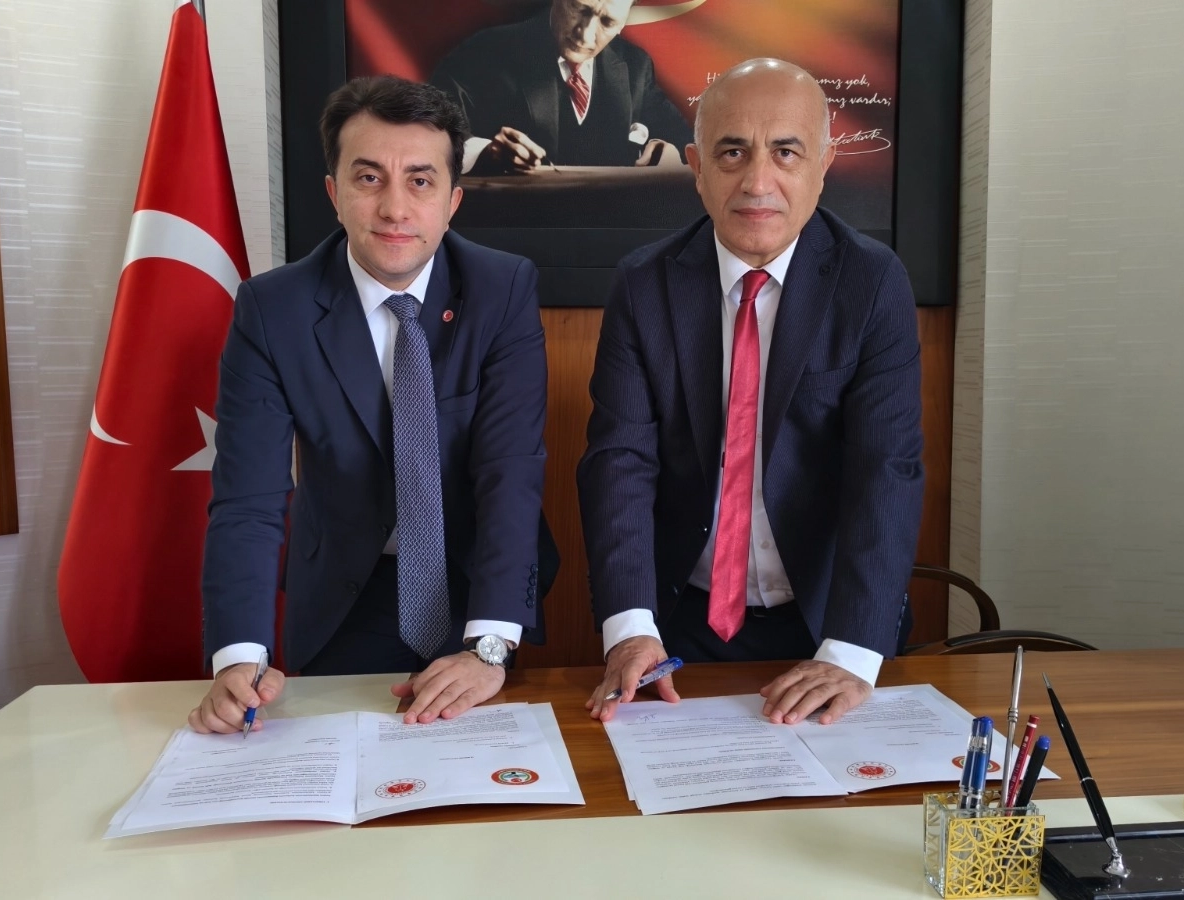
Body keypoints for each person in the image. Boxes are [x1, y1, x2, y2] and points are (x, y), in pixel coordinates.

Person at [189, 75, 557, 735]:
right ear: (334, 193)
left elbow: (510, 472)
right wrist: (238, 655)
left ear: (452, 201)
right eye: (368, 178)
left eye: (420, 181)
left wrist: (490, 646)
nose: (394, 208)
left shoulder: (501, 289)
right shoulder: (273, 310)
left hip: (480, 588)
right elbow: (249, 497)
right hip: (342, 596)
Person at [577, 58, 924, 726]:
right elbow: (619, 460)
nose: (758, 182)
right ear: (696, 168)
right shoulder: (644, 285)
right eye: (732, 152)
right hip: (679, 626)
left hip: (830, 622)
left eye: (786, 152)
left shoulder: (872, 281)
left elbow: (887, 468)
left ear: (823, 165)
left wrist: (851, 651)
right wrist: (629, 627)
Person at [431, 0, 692, 173]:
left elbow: (686, 142)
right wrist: (485, 152)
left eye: (607, 22)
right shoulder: (485, 52)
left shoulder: (636, 65)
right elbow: (431, 131)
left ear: (622, 23)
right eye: (580, 8)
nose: (585, 34)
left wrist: (671, 154)